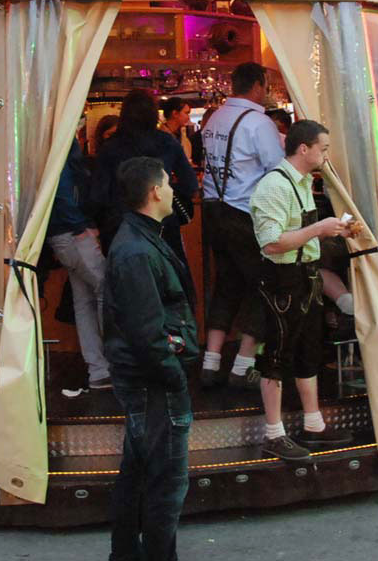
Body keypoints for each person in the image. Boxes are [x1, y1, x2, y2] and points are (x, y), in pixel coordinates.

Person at [102, 157, 198, 561]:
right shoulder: (137, 250)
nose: (174, 191)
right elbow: (147, 332)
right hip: (152, 380)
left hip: (145, 377)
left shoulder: (138, 239)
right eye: (169, 185)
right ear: (156, 192)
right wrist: (173, 375)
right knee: (165, 483)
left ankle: (126, 555)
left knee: (140, 473)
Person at [250, 120, 355, 459]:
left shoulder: (305, 181)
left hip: (306, 275)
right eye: (323, 149)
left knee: (309, 348)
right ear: (303, 149)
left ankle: (314, 425)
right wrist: (319, 229)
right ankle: (273, 433)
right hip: (282, 280)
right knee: (277, 355)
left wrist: (333, 231)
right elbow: (271, 244)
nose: (326, 155)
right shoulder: (273, 186)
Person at [199, 62, 283, 390]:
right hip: (243, 214)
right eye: (268, 85)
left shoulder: (215, 118)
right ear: (258, 85)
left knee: (226, 284)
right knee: (265, 284)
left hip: (214, 212)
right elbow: (277, 170)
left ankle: (211, 361)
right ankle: (243, 365)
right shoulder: (258, 122)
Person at [93, 90, 198, 270]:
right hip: (162, 225)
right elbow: (190, 184)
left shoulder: (110, 148)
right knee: (169, 283)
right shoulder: (167, 142)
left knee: (127, 287)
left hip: (120, 227)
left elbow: (98, 196)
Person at [46, 139, 112, 390]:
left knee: (83, 300)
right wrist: (80, 227)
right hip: (72, 233)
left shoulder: (53, 145)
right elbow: (62, 193)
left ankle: (98, 369)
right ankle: (117, 363)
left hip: (62, 234)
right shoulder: (63, 147)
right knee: (106, 290)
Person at [159, 97, 194, 163]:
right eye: (186, 113)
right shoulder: (161, 136)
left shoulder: (182, 134)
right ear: (175, 113)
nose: (188, 117)